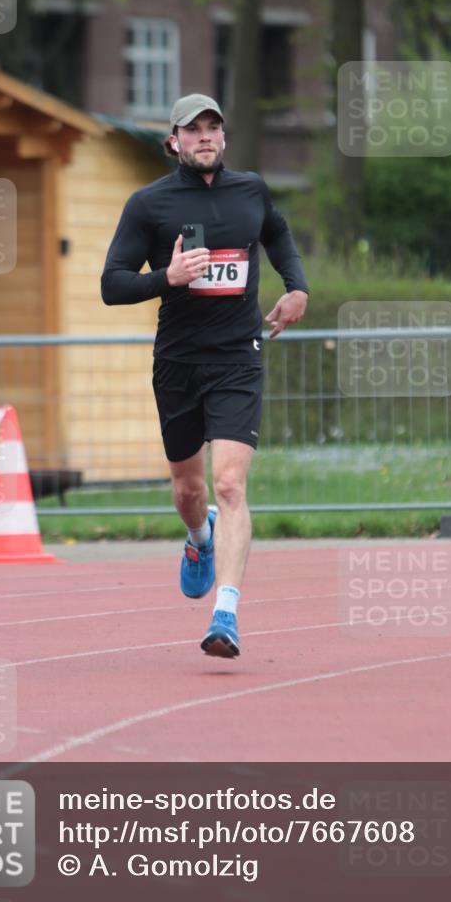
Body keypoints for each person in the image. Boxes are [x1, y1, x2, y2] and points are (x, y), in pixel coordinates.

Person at [101, 93, 308, 659]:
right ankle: (198, 539)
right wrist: (166, 277)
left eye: (213, 127)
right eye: (193, 130)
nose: (205, 137)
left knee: (230, 485)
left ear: (225, 137)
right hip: (178, 361)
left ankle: (227, 614)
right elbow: (112, 284)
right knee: (189, 490)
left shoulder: (251, 191)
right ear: (174, 141)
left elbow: (278, 234)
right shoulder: (149, 205)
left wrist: (297, 287)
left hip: (238, 356)